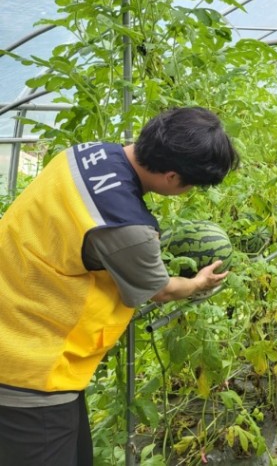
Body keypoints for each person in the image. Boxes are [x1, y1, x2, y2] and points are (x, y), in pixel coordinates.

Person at [0, 106, 240, 466]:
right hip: (30, 368)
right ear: (172, 177)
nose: (188, 192)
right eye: (190, 185)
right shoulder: (126, 228)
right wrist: (197, 283)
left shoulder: (84, 153)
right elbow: (159, 288)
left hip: (19, 321)